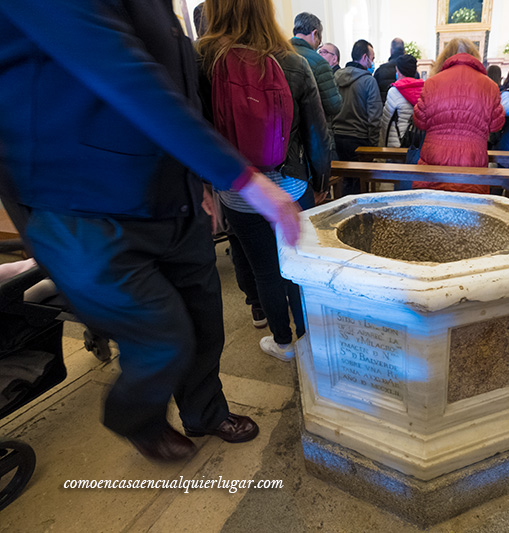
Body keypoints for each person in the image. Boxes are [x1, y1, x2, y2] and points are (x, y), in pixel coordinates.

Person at [0, 0, 301, 462]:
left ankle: (204, 412)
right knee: (161, 336)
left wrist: (197, 177)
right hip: (84, 205)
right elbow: (122, 72)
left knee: (204, 322)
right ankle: (135, 416)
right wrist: (240, 178)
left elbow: (178, 92)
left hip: (172, 196)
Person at [197, 0, 330, 360]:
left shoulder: (202, 63)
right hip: (291, 187)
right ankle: (309, 339)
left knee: (265, 272)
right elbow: (317, 133)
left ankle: (283, 343)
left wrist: (206, 184)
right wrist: (320, 180)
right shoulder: (293, 62)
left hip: (239, 192)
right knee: (299, 270)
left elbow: (195, 131)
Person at [412, 38, 505, 194]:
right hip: (472, 163)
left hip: (434, 162)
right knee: (470, 211)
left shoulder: (432, 82)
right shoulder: (490, 85)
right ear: (474, 56)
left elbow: (419, 121)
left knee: (430, 212)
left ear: (445, 56)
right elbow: (496, 124)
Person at [333, 39, 382, 194]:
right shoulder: (369, 81)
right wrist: (372, 147)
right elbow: (374, 118)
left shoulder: (335, 77)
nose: (372, 62)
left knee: (342, 182)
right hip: (358, 140)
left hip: (337, 137)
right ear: (364, 57)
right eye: (372, 58)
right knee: (359, 186)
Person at [290, 13, 342, 121]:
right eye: (320, 41)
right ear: (315, 33)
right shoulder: (319, 63)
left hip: (282, 131)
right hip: (311, 130)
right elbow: (334, 106)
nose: (318, 45)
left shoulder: (277, 54)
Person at [379, 55, 425, 148]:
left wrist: (381, 148)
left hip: (397, 144)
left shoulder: (395, 91)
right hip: (417, 146)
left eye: (397, 70)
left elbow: (386, 122)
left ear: (400, 71)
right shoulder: (424, 91)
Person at [374, 38, 406, 103]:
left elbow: (375, 95)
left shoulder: (380, 71)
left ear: (391, 51)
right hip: (406, 111)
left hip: (385, 108)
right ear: (404, 52)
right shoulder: (411, 71)